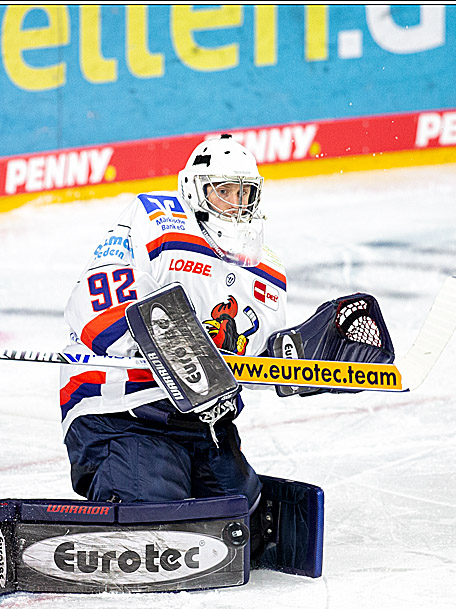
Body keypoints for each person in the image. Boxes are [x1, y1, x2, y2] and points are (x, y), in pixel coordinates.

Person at [59, 134, 287, 514]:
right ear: (195, 190)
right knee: (155, 507)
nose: (236, 204)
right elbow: (95, 308)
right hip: (124, 411)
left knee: (241, 514)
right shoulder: (156, 219)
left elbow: (260, 361)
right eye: (224, 191)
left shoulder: (267, 269)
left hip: (202, 425)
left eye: (244, 193)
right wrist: (168, 347)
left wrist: (302, 361)